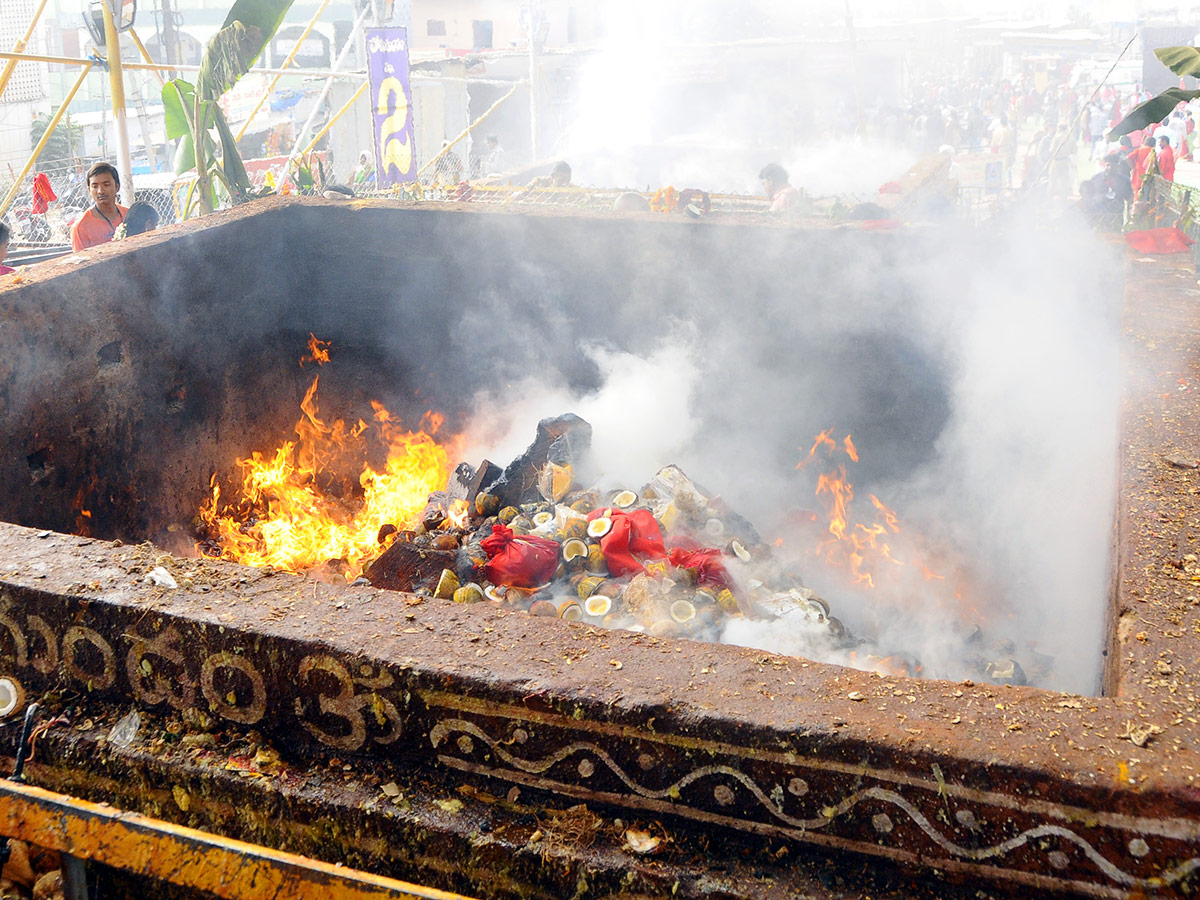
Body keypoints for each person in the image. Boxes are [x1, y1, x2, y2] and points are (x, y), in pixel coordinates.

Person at [71, 162, 127, 251]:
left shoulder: (128, 214)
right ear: (89, 190)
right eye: (95, 186)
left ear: (117, 187)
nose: (100, 191)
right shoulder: (81, 227)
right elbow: (82, 262)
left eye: (106, 185)